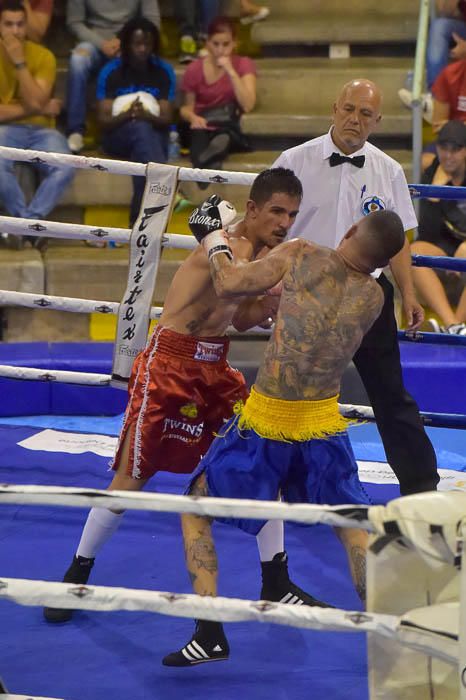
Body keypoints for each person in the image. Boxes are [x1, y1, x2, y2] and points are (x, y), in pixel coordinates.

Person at [43, 168, 329, 624]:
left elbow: (239, 316)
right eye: (277, 211)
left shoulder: (261, 253)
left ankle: (276, 579)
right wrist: (277, 278)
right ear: (252, 209)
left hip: (216, 367)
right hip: (171, 365)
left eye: (292, 214)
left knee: (262, 457)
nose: (284, 223)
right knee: (132, 477)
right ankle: (77, 572)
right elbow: (227, 283)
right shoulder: (221, 246)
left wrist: (272, 303)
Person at [163, 205, 406, 667]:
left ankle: (209, 629)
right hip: (322, 422)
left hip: (269, 418)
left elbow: (229, 284)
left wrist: (213, 238)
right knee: (352, 528)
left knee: (194, 509)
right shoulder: (375, 296)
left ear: (352, 228)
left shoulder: (301, 254)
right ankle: (389, 635)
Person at [271, 79, 439, 497]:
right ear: (334, 108)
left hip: (368, 298)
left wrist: (408, 295)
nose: (355, 119)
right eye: (349, 109)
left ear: (377, 121)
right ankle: (278, 483)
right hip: (306, 295)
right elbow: (269, 228)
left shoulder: (388, 170)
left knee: (390, 393)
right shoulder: (294, 161)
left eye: (366, 114)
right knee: (290, 390)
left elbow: (397, 241)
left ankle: (421, 491)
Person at [0, 0, 74, 249]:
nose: (15, 31)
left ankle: (27, 225)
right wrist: (37, 107)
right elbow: (36, 103)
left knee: (66, 164)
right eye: (8, 25)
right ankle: (29, 226)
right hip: (6, 131)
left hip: (42, 130)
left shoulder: (44, 56)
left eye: (20, 24)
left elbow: (36, 99)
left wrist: (19, 63)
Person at [96, 17, 176, 227]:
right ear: (126, 44)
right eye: (137, 44)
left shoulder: (163, 71)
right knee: (141, 132)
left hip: (153, 137)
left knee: (144, 149)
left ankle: (137, 221)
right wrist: (129, 114)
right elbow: (103, 121)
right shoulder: (111, 72)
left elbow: (167, 118)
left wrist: (145, 116)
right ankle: (165, 192)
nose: (142, 49)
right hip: (116, 138)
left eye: (147, 44)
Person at [65, 0, 161, 154]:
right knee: (78, 60)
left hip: (131, 39)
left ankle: (134, 131)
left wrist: (124, 40)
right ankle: (76, 131)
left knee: (140, 54)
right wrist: (101, 43)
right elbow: (74, 22)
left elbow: (152, 20)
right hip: (93, 41)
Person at [180, 16, 256, 178]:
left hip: (227, 124)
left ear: (235, 43)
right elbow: (186, 108)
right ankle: (208, 159)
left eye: (226, 44)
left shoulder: (243, 64)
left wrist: (230, 71)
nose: (220, 50)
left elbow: (248, 104)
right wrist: (193, 117)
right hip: (201, 124)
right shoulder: (194, 69)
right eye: (216, 44)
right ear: (207, 43)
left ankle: (216, 151)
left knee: (226, 136)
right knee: (199, 154)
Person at [412, 120, 466, 335]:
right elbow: (427, 233)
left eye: (456, 149)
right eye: (443, 148)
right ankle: (453, 325)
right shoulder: (433, 172)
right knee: (414, 251)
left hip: (462, 247)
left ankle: (457, 325)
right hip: (442, 245)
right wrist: (436, 191)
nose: (448, 155)